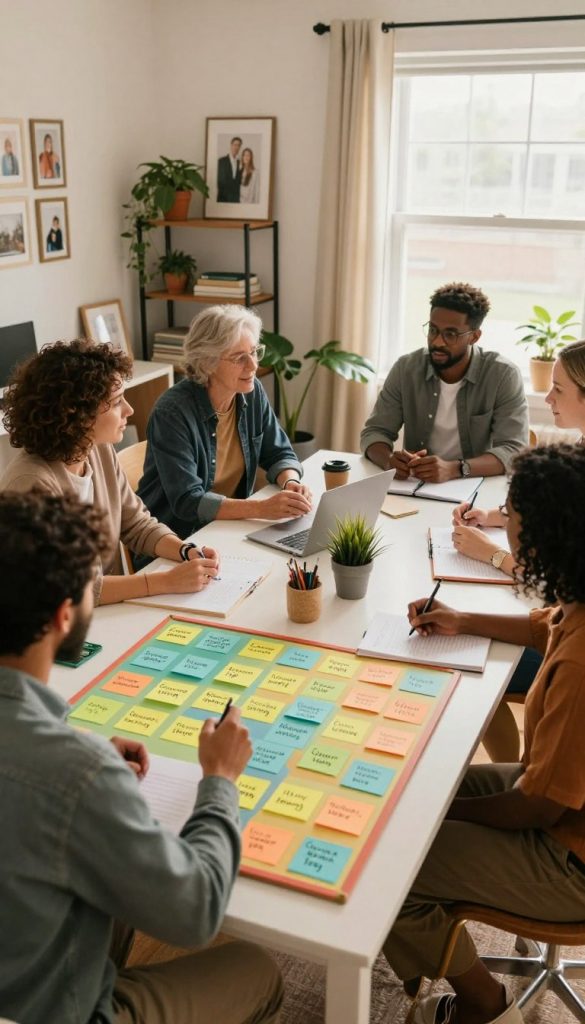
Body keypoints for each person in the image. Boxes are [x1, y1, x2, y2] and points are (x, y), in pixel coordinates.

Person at [0, 489, 283, 1024]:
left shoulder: (75, 767)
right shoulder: (78, 774)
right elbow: (197, 910)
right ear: (65, 615)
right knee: (255, 967)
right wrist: (220, 779)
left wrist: (82, 760)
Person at [383, 444, 585, 1024]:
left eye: (513, 521)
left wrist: (440, 820)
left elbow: (538, 807)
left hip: (569, 854)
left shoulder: (582, 666)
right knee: (421, 786)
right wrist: (462, 619)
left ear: (548, 536)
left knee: (398, 858)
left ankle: (484, 1006)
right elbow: (542, 626)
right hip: (558, 807)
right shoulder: (579, 598)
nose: (508, 532)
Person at [0, 339, 220, 604]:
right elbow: (69, 590)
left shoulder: (97, 450)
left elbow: (137, 524)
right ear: (76, 413)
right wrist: (165, 582)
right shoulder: (31, 484)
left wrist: (185, 551)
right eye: (116, 402)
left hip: (102, 612)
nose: (129, 409)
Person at [138, 305, 312, 539]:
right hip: (177, 540)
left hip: (228, 530)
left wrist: (291, 482)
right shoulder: (172, 413)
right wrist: (261, 509)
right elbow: (188, 501)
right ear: (207, 362)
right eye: (240, 358)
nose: (252, 366)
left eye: (253, 352)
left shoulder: (251, 392)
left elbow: (279, 452)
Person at [361, 282, 529, 482]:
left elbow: (514, 451)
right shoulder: (406, 369)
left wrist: (455, 469)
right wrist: (389, 461)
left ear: (474, 337)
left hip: (475, 486)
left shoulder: (502, 375)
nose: (437, 342)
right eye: (433, 330)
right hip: (416, 485)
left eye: (450, 334)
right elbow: (375, 432)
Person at [217, 136, 242, 202]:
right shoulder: (221, 161)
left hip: (236, 199)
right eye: (235, 145)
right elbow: (219, 181)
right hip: (223, 198)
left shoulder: (240, 162)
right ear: (231, 145)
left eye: (239, 145)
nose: (236, 147)